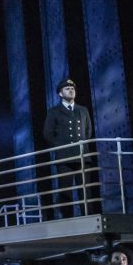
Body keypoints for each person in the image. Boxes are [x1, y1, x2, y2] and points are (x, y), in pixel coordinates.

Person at [43, 78, 93, 218]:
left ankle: (88, 217)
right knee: (65, 191)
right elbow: (48, 134)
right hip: (64, 157)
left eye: (72, 89)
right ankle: (68, 219)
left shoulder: (83, 110)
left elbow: (88, 131)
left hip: (82, 156)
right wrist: (62, 147)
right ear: (60, 93)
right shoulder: (54, 111)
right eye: (67, 89)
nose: (71, 91)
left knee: (85, 190)